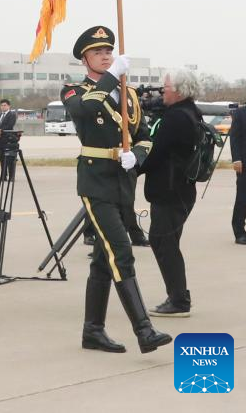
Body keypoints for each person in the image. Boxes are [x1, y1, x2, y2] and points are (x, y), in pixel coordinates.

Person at [61, 25, 170, 354]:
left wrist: (134, 156)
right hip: (95, 183)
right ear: (85, 59)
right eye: (98, 52)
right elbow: (85, 110)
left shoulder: (129, 93)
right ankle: (144, 330)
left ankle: (92, 331)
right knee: (121, 252)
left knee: (102, 260)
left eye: (109, 51)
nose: (106, 56)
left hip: (122, 181)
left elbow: (145, 134)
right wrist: (112, 78)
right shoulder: (73, 90)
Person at [138, 68, 202, 317]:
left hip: (171, 192)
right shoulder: (189, 112)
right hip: (179, 191)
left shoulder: (176, 118)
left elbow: (157, 154)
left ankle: (179, 301)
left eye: (166, 87)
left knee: (164, 243)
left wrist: (134, 169)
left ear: (178, 90)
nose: (162, 90)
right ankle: (178, 296)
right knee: (166, 242)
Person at [229, 84, 246, 245]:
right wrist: (236, 159)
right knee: (243, 199)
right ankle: (240, 232)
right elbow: (234, 138)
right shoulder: (241, 113)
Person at [0, 99, 17, 181]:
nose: (3, 107)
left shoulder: (12, 115)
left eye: (4, 105)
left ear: (8, 106)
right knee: (2, 159)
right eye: (2, 105)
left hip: (8, 140)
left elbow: (10, 125)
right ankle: (3, 176)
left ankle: (11, 176)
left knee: (10, 159)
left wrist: (0, 131)